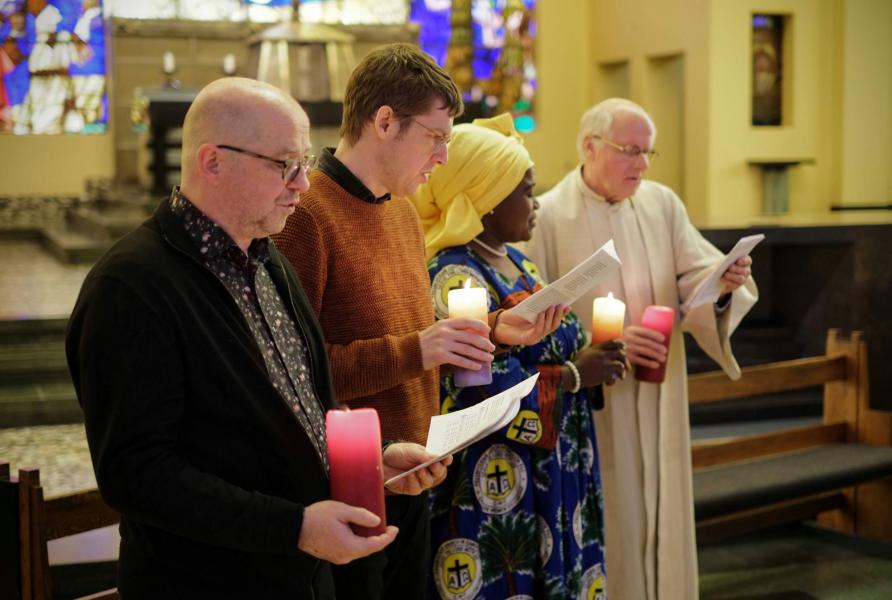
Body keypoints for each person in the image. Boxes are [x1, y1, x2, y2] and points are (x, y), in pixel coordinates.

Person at [65, 77, 451, 599]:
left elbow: (301, 411)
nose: (303, 184)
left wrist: (371, 462)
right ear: (213, 162)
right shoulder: (131, 287)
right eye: (284, 165)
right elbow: (138, 475)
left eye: (304, 162)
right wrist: (295, 528)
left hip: (299, 579)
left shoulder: (266, 262)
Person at [272, 43, 565, 599]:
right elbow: (294, 374)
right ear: (385, 122)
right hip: (346, 486)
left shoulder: (403, 212)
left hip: (414, 470)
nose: (443, 157)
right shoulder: (306, 217)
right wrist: (420, 349)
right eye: (435, 137)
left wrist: (496, 331)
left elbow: (413, 336)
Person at [526, 97, 758, 600]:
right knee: (615, 516)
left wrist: (722, 284)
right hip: (598, 402)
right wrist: (599, 343)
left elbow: (695, 277)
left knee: (662, 507)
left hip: (660, 388)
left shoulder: (662, 204)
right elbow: (529, 314)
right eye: (631, 150)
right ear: (589, 146)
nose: (643, 164)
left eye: (648, 152)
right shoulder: (547, 216)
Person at [410, 113, 628, 600]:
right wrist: (574, 375)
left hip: (556, 465)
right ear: (487, 200)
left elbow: (551, 342)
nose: (536, 203)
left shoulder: (516, 260)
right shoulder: (453, 273)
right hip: (500, 479)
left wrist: (593, 356)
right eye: (527, 192)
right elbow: (474, 383)